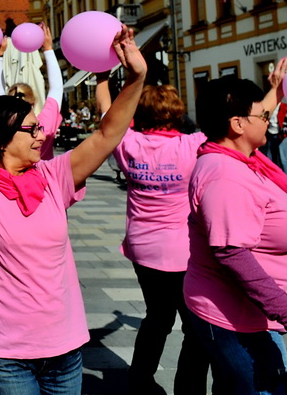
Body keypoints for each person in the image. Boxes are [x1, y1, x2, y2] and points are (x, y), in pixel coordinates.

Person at [0, 26, 145, 395]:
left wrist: (135, 78)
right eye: (31, 129)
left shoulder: (54, 175)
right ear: (3, 139)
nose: (41, 135)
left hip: (64, 346)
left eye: (40, 127)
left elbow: (106, 136)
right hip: (5, 351)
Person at [183, 62, 287, 394]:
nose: (268, 120)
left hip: (253, 314)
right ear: (237, 124)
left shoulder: (240, 159)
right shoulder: (225, 175)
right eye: (262, 117)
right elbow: (232, 253)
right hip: (236, 318)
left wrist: (274, 89)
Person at [97, 76, 218, 394]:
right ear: (176, 114)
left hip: (143, 249)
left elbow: (107, 114)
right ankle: (188, 388)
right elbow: (235, 133)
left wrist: (100, 79)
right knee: (194, 327)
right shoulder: (192, 145)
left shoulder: (128, 143)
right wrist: (273, 94)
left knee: (157, 317)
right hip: (182, 252)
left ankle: (140, 380)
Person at [0, 23, 64, 159]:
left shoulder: (6, 120)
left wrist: (0, 55)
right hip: (42, 177)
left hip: (9, 177)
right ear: (33, 101)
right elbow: (56, 87)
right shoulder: (44, 123)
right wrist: (48, 48)